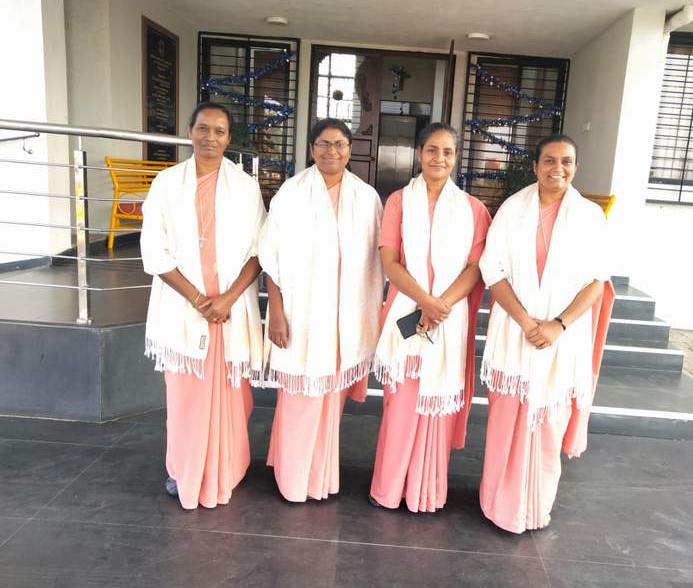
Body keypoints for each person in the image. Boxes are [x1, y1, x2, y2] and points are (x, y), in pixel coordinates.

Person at [478, 133, 615, 533]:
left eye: (566, 161)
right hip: (514, 331)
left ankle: (535, 509)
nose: (558, 168)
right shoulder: (512, 209)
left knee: (548, 427)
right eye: (550, 161)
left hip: (562, 338)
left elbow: (597, 281)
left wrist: (559, 324)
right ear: (535, 166)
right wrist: (525, 320)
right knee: (505, 422)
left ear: (576, 167)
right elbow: (492, 270)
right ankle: (496, 504)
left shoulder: (590, 217)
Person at [141, 102, 266, 510]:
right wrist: (198, 299)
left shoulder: (245, 187)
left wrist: (226, 299)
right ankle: (184, 469)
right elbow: (153, 251)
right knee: (184, 396)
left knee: (233, 394)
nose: (210, 137)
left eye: (219, 131)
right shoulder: (166, 183)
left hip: (231, 309)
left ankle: (227, 467)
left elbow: (260, 250)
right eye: (203, 129)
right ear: (190, 131)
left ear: (229, 138)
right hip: (184, 306)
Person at [258, 118, 383, 502]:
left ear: (350, 149)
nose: (332, 151)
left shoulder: (366, 198)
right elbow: (271, 257)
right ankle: (293, 481)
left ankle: (319, 478)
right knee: (300, 398)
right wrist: (276, 312)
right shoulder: (292, 193)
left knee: (329, 402)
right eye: (324, 144)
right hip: (302, 316)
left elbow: (376, 262)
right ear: (312, 148)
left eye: (340, 144)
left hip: (344, 318)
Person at [370, 122, 491, 513]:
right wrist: (425, 301)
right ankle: (390, 489)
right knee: (401, 403)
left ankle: (426, 492)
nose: (439, 158)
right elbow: (390, 262)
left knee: (435, 403)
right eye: (432, 150)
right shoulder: (398, 202)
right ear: (419, 153)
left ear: (456, 158)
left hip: (448, 317)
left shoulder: (474, 209)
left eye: (448, 151)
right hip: (408, 310)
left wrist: (441, 306)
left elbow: (476, 267)